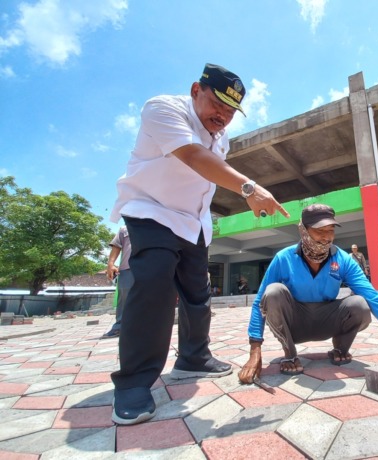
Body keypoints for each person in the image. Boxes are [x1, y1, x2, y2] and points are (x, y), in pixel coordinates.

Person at [108, 63, 289, 426]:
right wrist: (249, 188)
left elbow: (209, 174)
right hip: (152, 210)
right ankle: (134, 382)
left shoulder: (222, 137)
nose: (222, 115)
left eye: (231, 110)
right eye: (217, 103)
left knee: (197, 291)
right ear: (195, 90)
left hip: (194, 221)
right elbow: (193, 156)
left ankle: (193, 357)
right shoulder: (163, 108)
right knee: (155, 285)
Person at [238, 204, 378, 383]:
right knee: (273, 292)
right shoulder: (283, 258)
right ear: (303, 230)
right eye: (319, 231)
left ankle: (340, 349)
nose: (326, 237)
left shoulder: (343, 259)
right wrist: (255, 351)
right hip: (294, 325)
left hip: (327, 321)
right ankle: (290, 354)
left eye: (331, 230)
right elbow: (259, 303)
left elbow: (374, 299)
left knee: (359, 303)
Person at [102, 226, 133, 338]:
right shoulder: (125, 229)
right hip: (127, 268)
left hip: (150, 268)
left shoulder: (156, 223)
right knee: (124, 299)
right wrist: (110, 264)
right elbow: (116, 246)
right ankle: (119, 327)